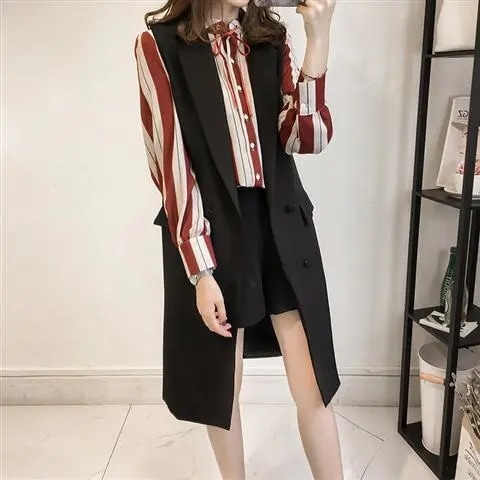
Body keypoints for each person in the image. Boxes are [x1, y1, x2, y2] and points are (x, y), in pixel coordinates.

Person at [134, 0, 343, 478]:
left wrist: (319, 38)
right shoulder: (159, 45)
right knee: (221, 386)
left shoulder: (270, 39)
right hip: (212, 229)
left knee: (314, 381)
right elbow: (171, 164)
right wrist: (201, 271)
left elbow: (305, 139)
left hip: (281, 222)